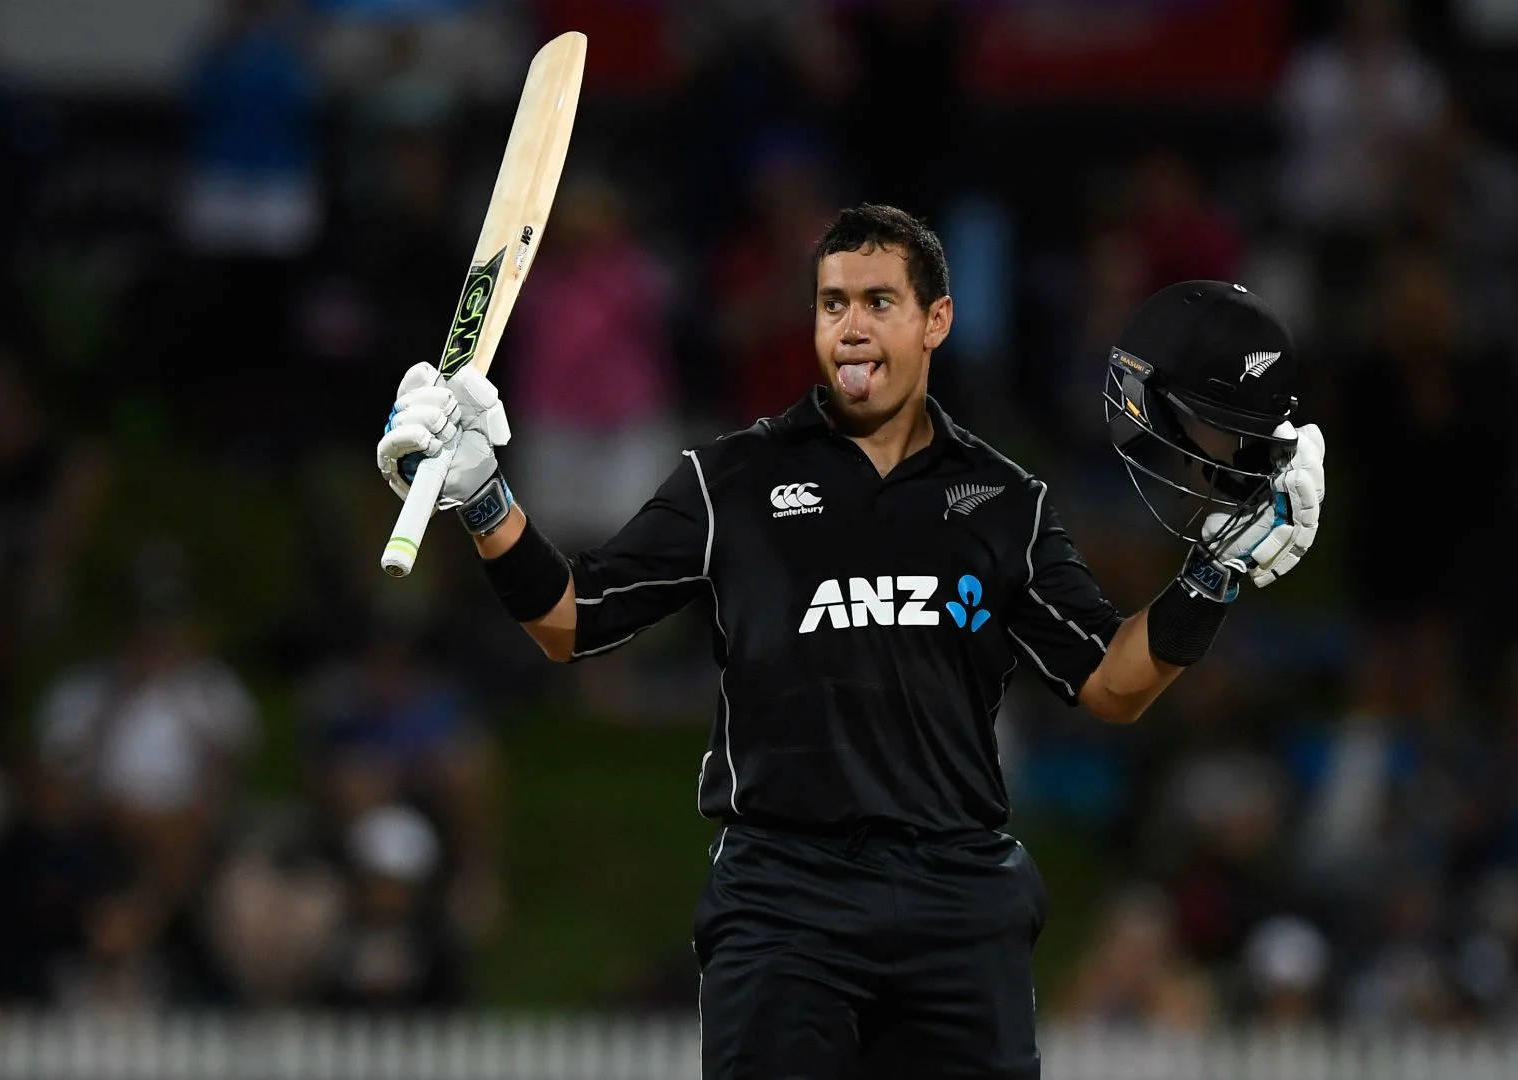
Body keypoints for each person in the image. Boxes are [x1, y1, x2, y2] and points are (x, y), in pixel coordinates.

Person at [374, 205, 1326, 1076]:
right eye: (833, 303)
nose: (852, 327)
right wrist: (484, 498)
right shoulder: (729, 482)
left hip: (959, 897)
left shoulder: (1005, 503)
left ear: (937, 322)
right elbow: (570, 622)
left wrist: (1212, 577)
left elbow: (1114, 686)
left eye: (880, 301)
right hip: (785, 902)